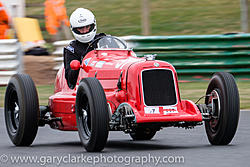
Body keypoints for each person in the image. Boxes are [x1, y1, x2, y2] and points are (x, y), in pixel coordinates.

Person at [64, 8, 105, 89]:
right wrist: (76, 67)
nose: (85, 31)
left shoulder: (104, 39)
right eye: (81, 28)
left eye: (87, 27)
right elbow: (70, 81)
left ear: (93, 25)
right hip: (84, 85)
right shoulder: (71, 49)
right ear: (74, 29)